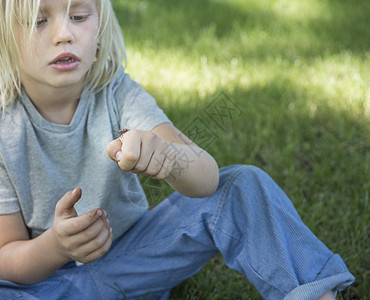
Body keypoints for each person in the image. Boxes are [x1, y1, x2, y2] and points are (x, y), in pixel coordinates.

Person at [0, 0, 354, 299]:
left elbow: (207, 180)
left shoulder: (118, 93)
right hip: (52, 286)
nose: (64, 34)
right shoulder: (5, 130)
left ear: (100, 29)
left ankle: (314, 292)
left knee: (240, 186)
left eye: (79, 16)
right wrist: (56, 247)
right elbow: (8, 256)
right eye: (38, 21)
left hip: (136, 265)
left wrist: (168, 157)